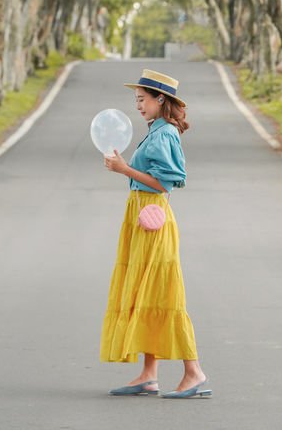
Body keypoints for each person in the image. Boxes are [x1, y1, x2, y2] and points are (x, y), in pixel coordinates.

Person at [100, 68, 210, 399]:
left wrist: (125, 170)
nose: (137, 106)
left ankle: (194, 372)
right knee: (144, 292)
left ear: (159, 99)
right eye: (136, 100)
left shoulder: (165, 135)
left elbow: (168, 182)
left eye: (141, 99)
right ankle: (149, 375)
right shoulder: (156, 131)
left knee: (164, 293)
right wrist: (127, 172)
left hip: (153, 217)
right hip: (140, 215)